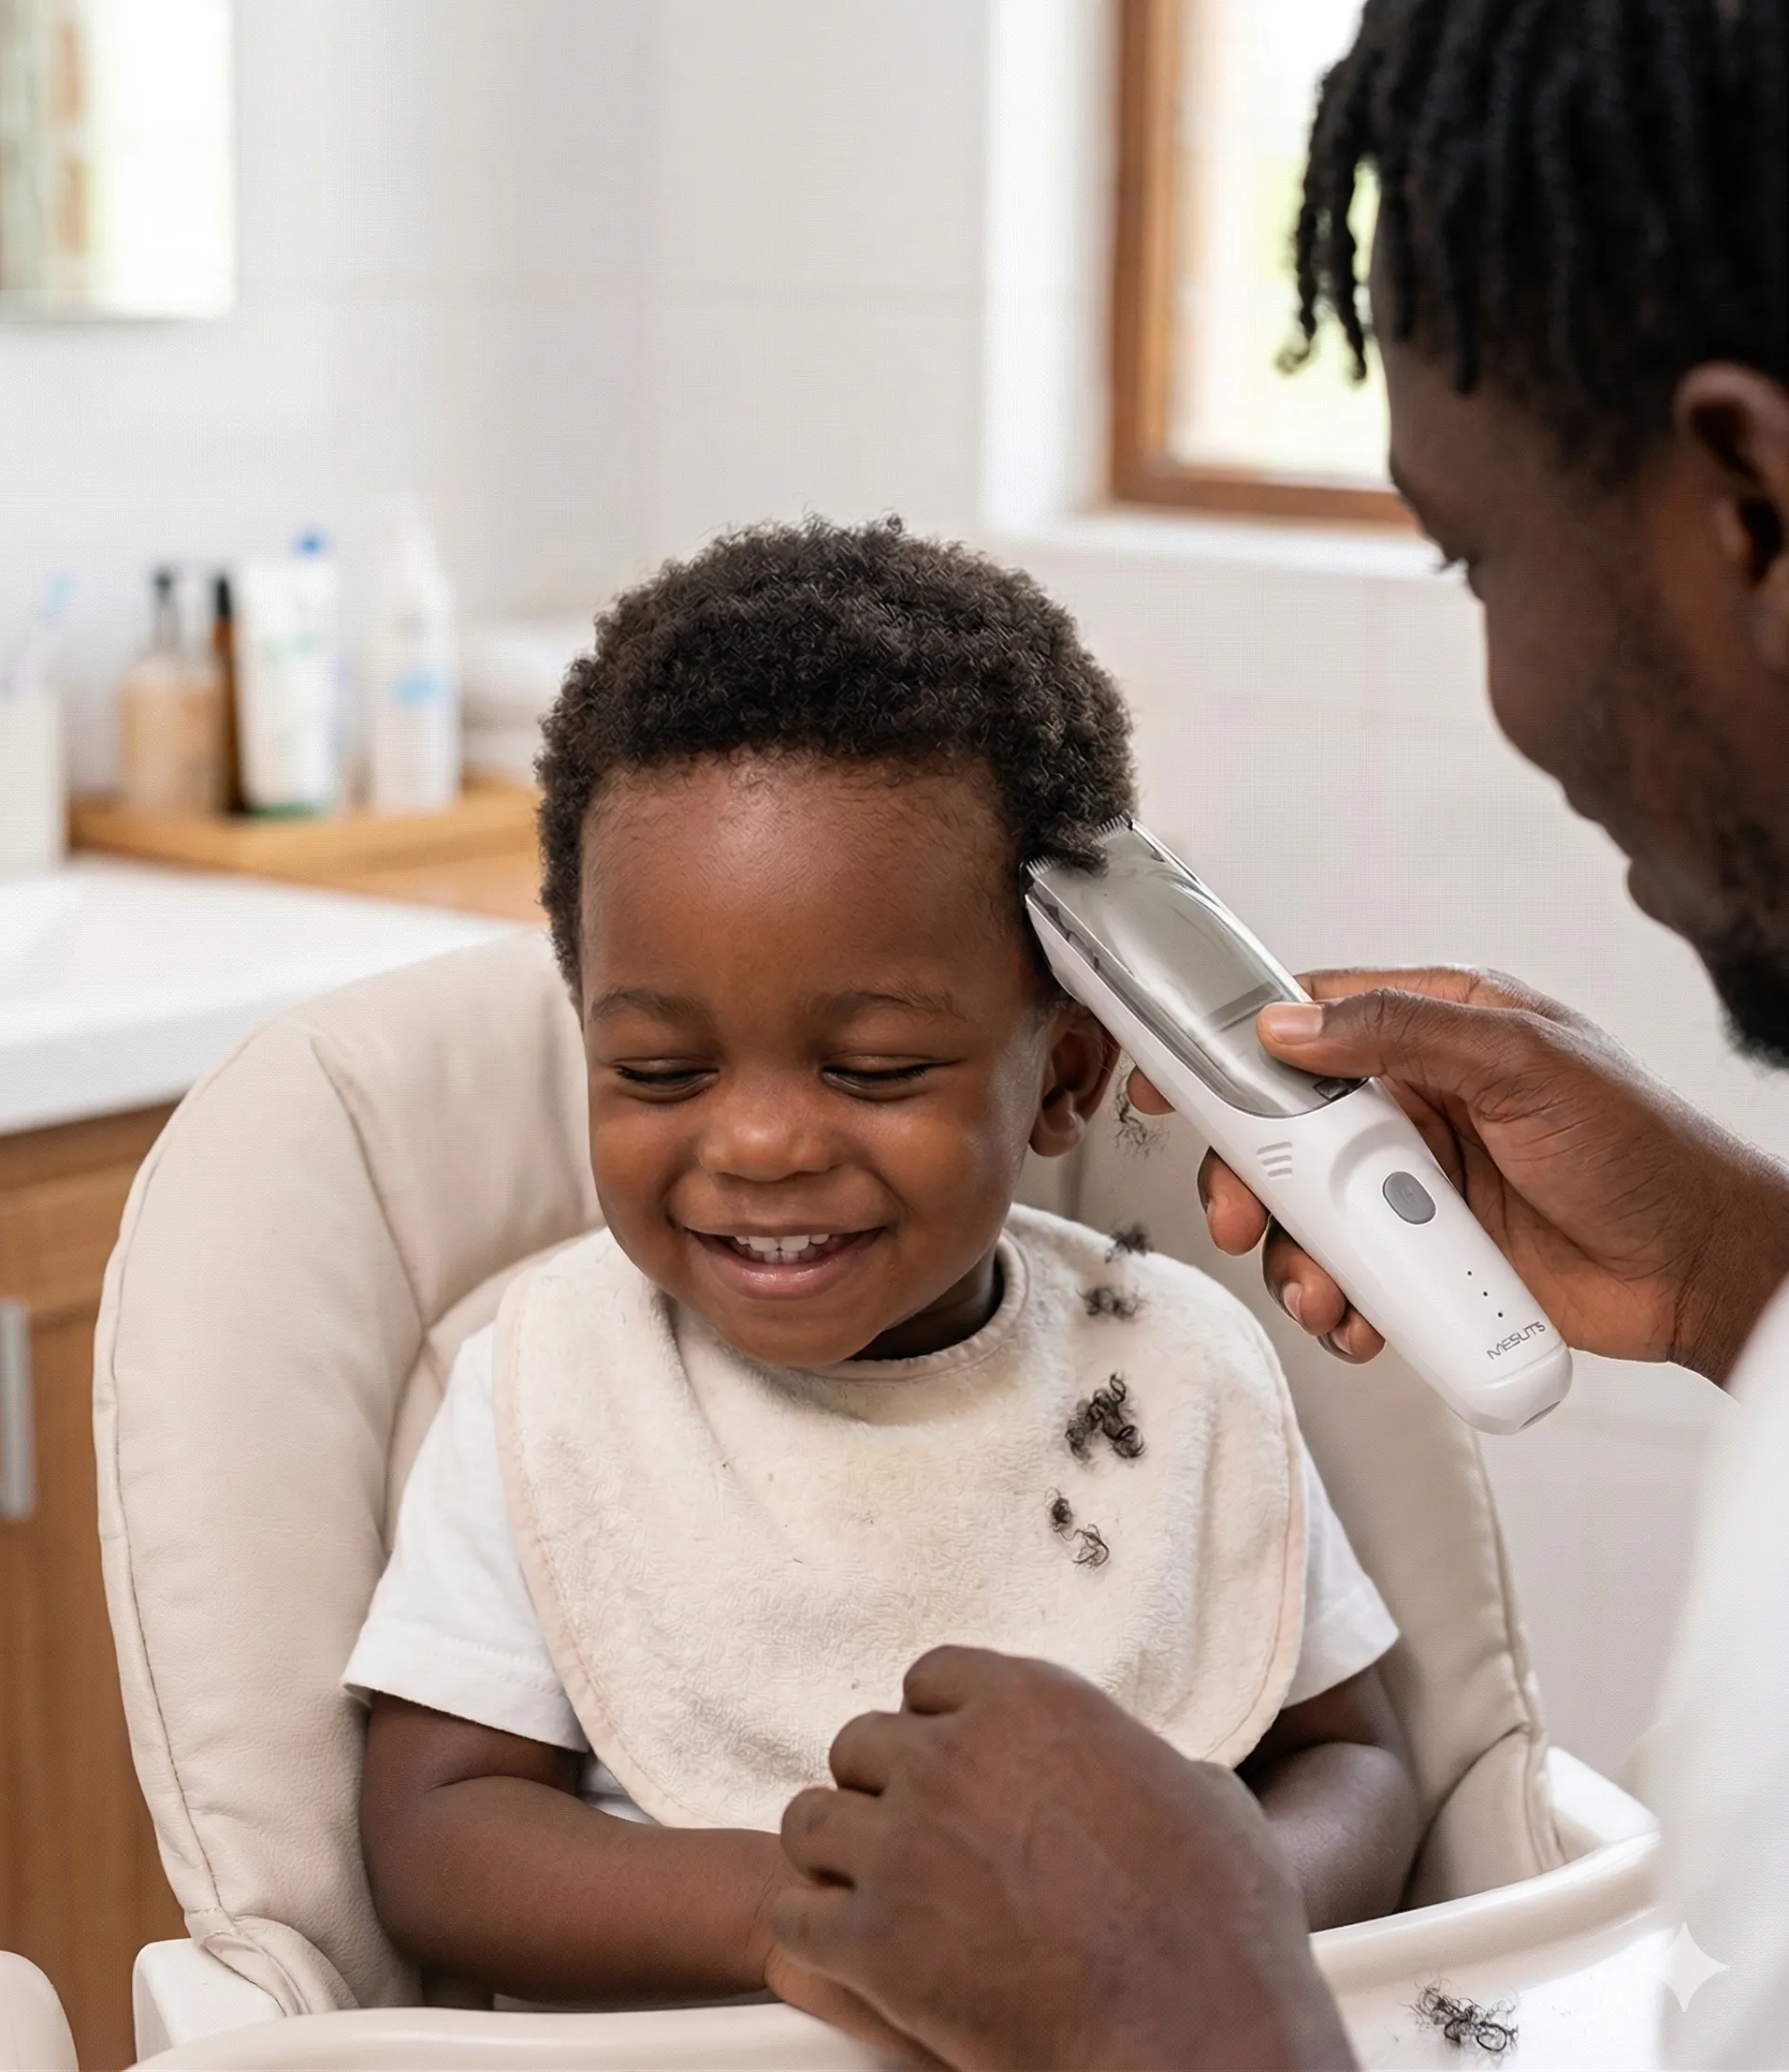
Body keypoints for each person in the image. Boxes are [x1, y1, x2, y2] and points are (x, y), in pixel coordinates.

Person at [764, 1, 1789, 2066]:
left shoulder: (1188, 1388)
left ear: (1749, 506)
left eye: (1476, 550)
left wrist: (1196, 2011)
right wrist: (1736, 1277)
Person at [342, 518, 1420, 2025]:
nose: (765, 1140)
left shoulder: (1169, 1367)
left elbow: (1354, 1758)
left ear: (1063, 1077)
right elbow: (437, 1831)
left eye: (872, 1066)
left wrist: (1186, 1928)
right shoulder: (555, 1379)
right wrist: (826, 1916)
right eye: (660, 1070)